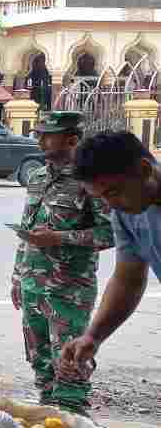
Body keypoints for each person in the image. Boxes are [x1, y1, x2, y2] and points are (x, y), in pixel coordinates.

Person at [8, 112, 112, 414]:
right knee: (40, 363)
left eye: (46, 134)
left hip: (69, 290)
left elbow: (109, 234)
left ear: (71, 139)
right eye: (38, 133)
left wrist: (59, 238)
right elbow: (27, 230)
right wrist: (17, 277)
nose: (39, 139)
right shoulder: (38, 176)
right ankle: (49, 425)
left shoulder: (91, 181)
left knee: (70, 367)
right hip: (33, 285)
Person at [60, 131, 161, 380]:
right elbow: (129, 280)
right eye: (101, 197)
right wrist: (93, 336)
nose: (110, 205)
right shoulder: (127, 213)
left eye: (113, 192)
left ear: (145, 169)